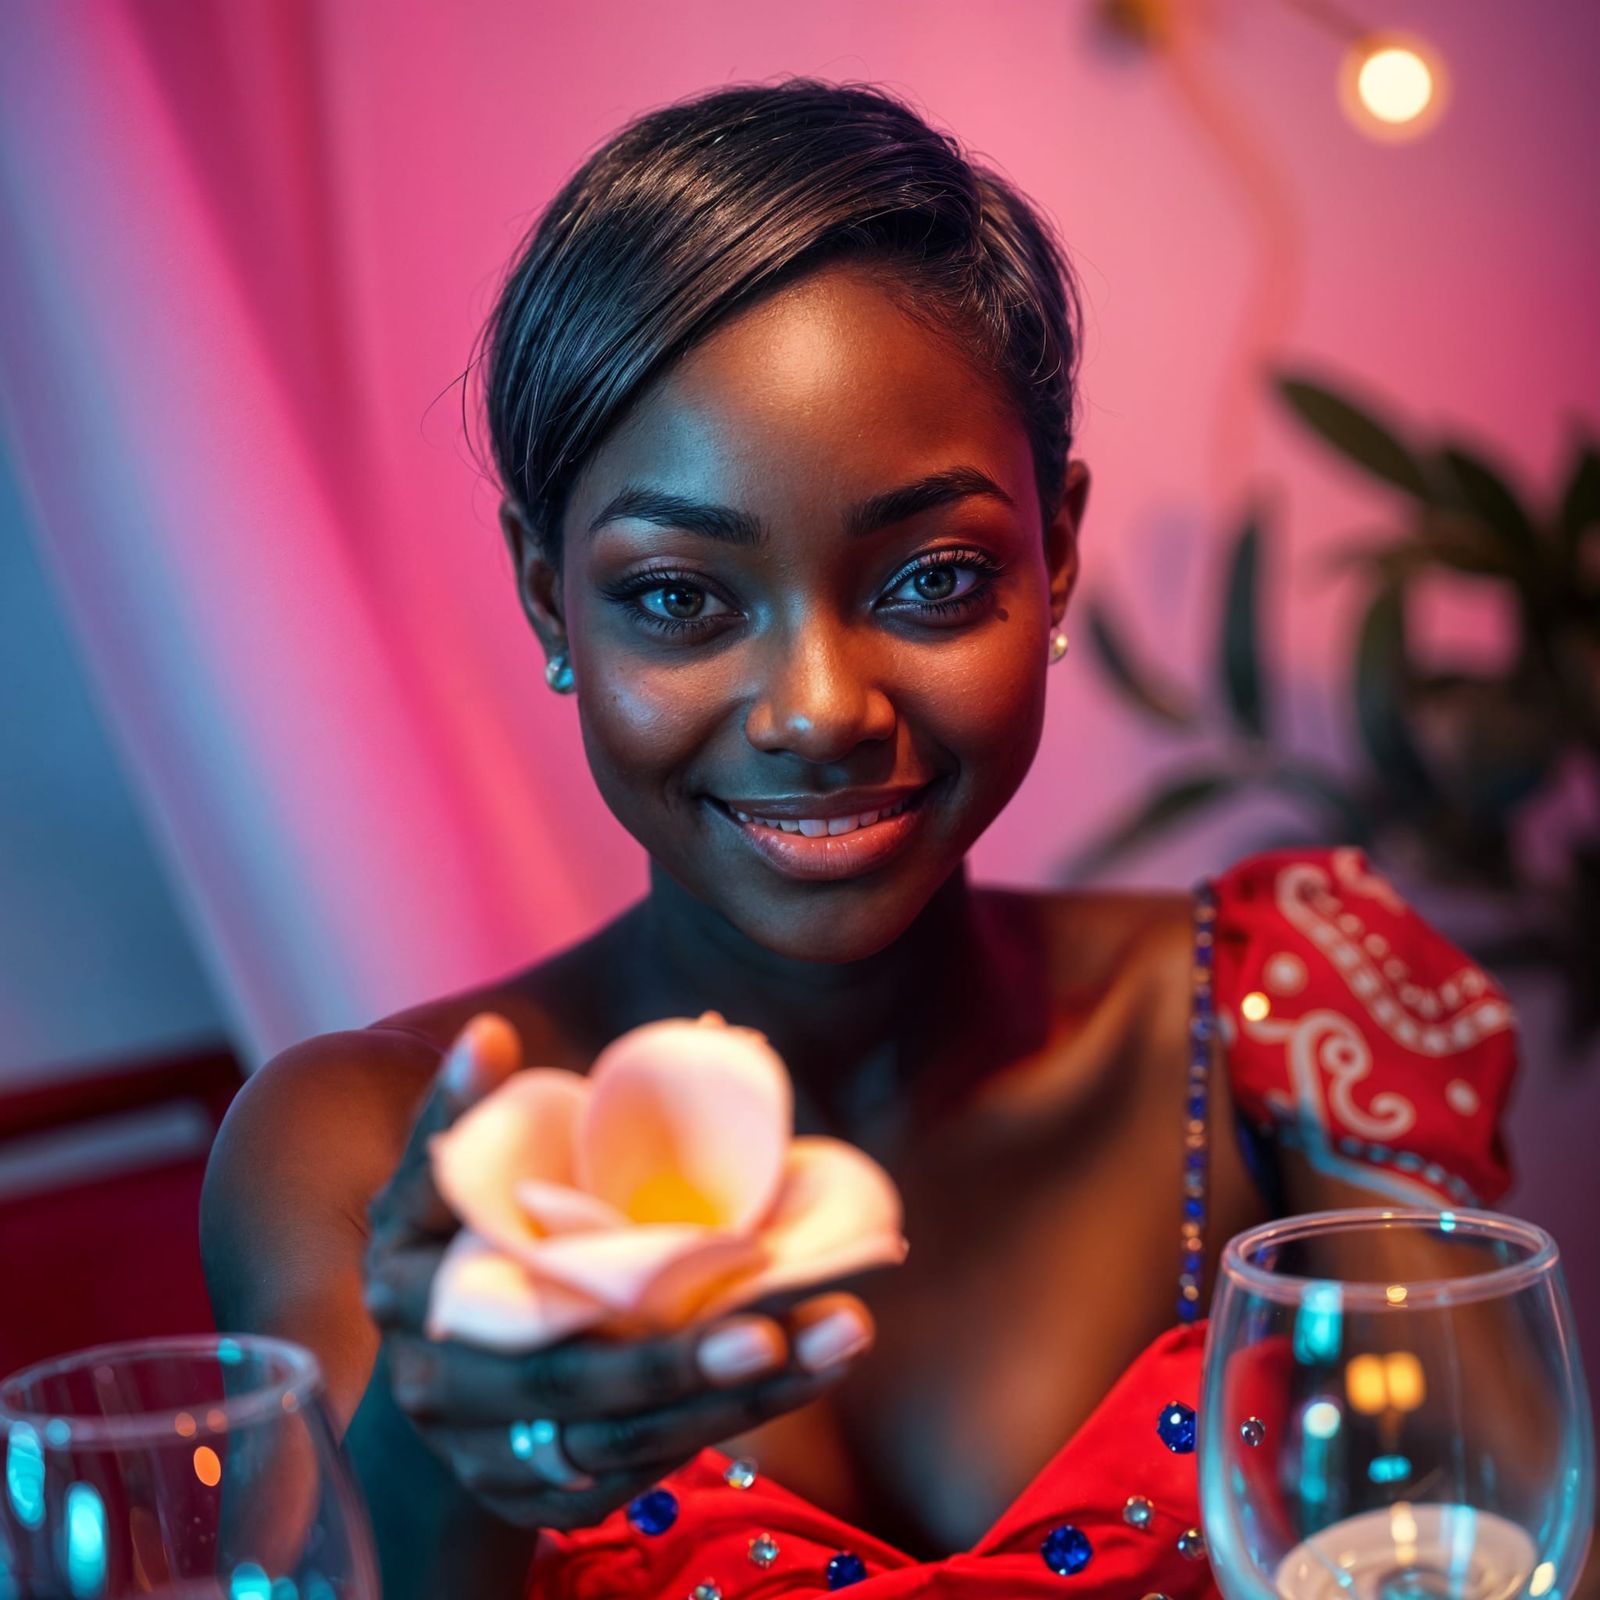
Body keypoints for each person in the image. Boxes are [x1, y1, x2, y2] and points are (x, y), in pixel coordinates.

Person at [199, 78, 1518, 1599]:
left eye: (932, 579)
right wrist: (450, 1469)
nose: (818, 710)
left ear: (1060, 554)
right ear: (550, 595)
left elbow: (1510, 1541)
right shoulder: (362, 1153)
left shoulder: (1283, 1024)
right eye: (680, 597)